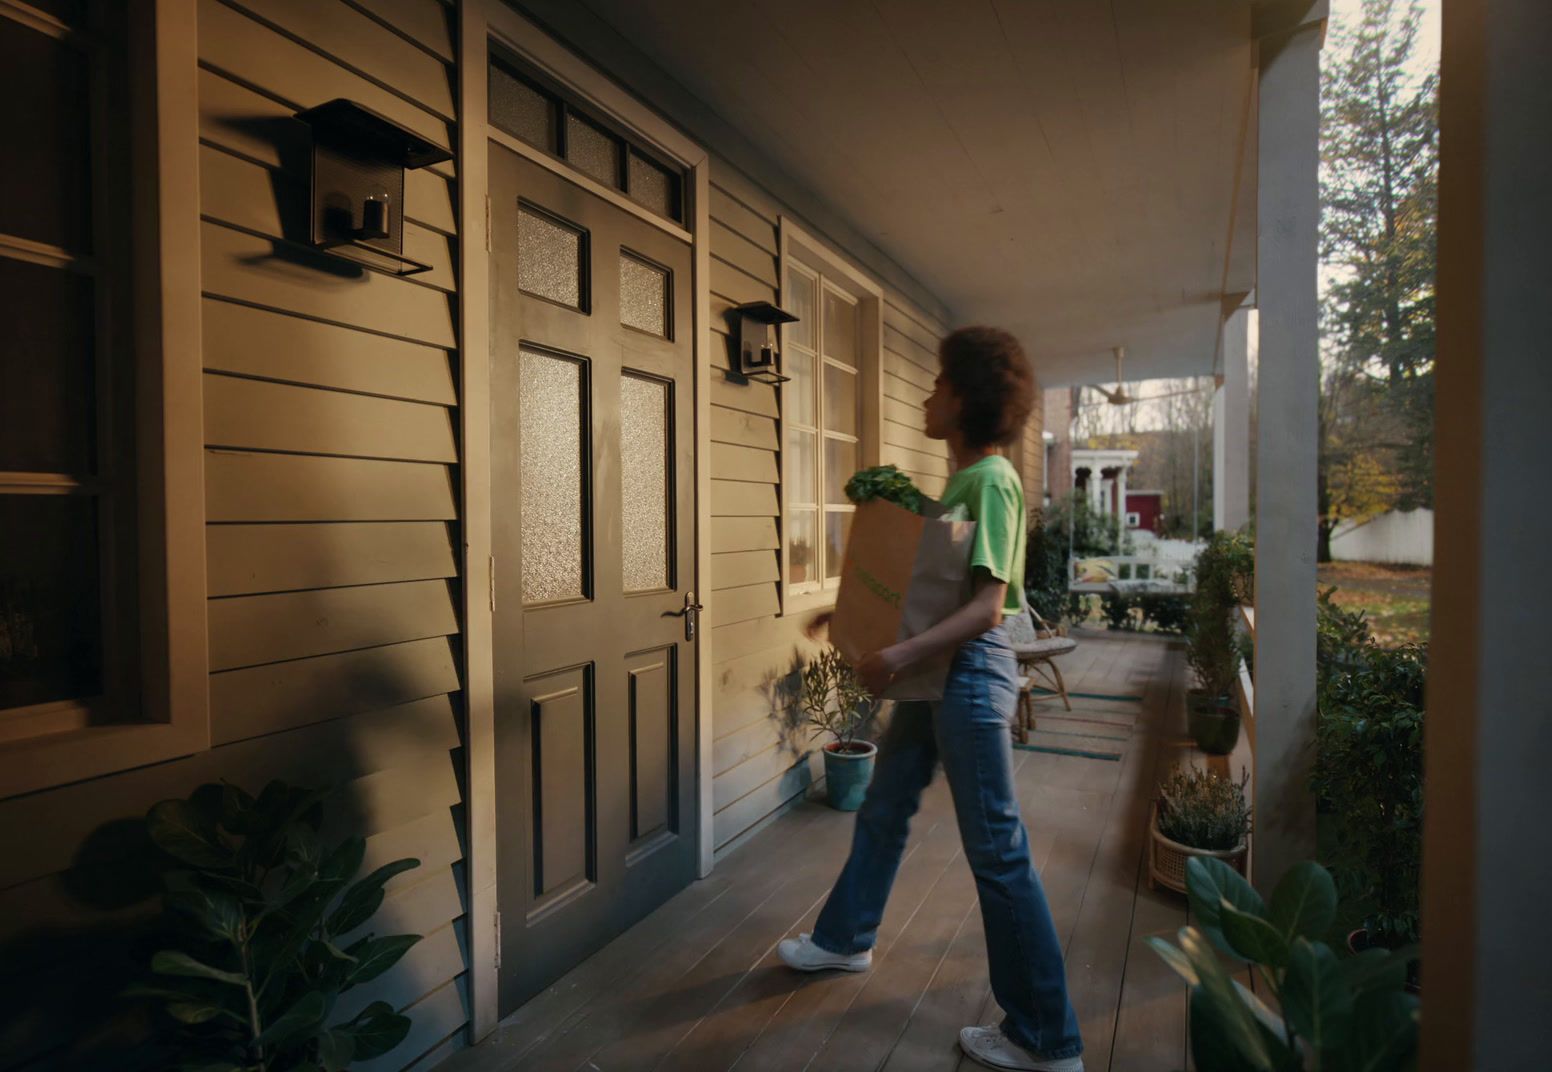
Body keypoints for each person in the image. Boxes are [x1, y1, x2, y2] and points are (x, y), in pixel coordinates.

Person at [778, 327, 1084, 1072]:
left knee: (999, 853)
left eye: (938, 384)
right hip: (939, 672)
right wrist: (848, 616)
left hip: (968, 673)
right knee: (884, 808)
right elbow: (930, 592)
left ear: (966, 398)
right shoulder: (965, 481)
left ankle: (1047, 1035)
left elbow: (986, 607)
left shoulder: (990, 480)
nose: (926, 395)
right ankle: (845, 939)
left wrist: (902, 653)